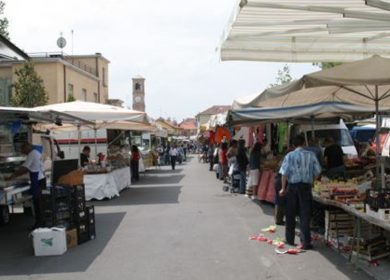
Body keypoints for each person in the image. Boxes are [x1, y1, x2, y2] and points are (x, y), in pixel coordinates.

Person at [279, 135, 321, 250]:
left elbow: (284, 173)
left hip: (292, 187)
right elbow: (318, 172)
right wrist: (312, 181)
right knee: (305, 215)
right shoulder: (311, 155)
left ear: (293, 145)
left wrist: (283, 188)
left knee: (290, 214)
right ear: (304, 143)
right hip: (306, 187)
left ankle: (290, 240)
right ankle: (306, 242)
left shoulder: (289, 155)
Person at [7, 143, 46, 228]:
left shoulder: (31, 154)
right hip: (41, 179)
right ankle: (42, 223)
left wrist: (12, 176)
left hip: (37, 181)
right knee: (40, 204)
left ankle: (39, 224)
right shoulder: (36, 152)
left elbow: (24, 169)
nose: (22, 152)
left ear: (27, 147)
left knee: (37, 204)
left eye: (23, 149)